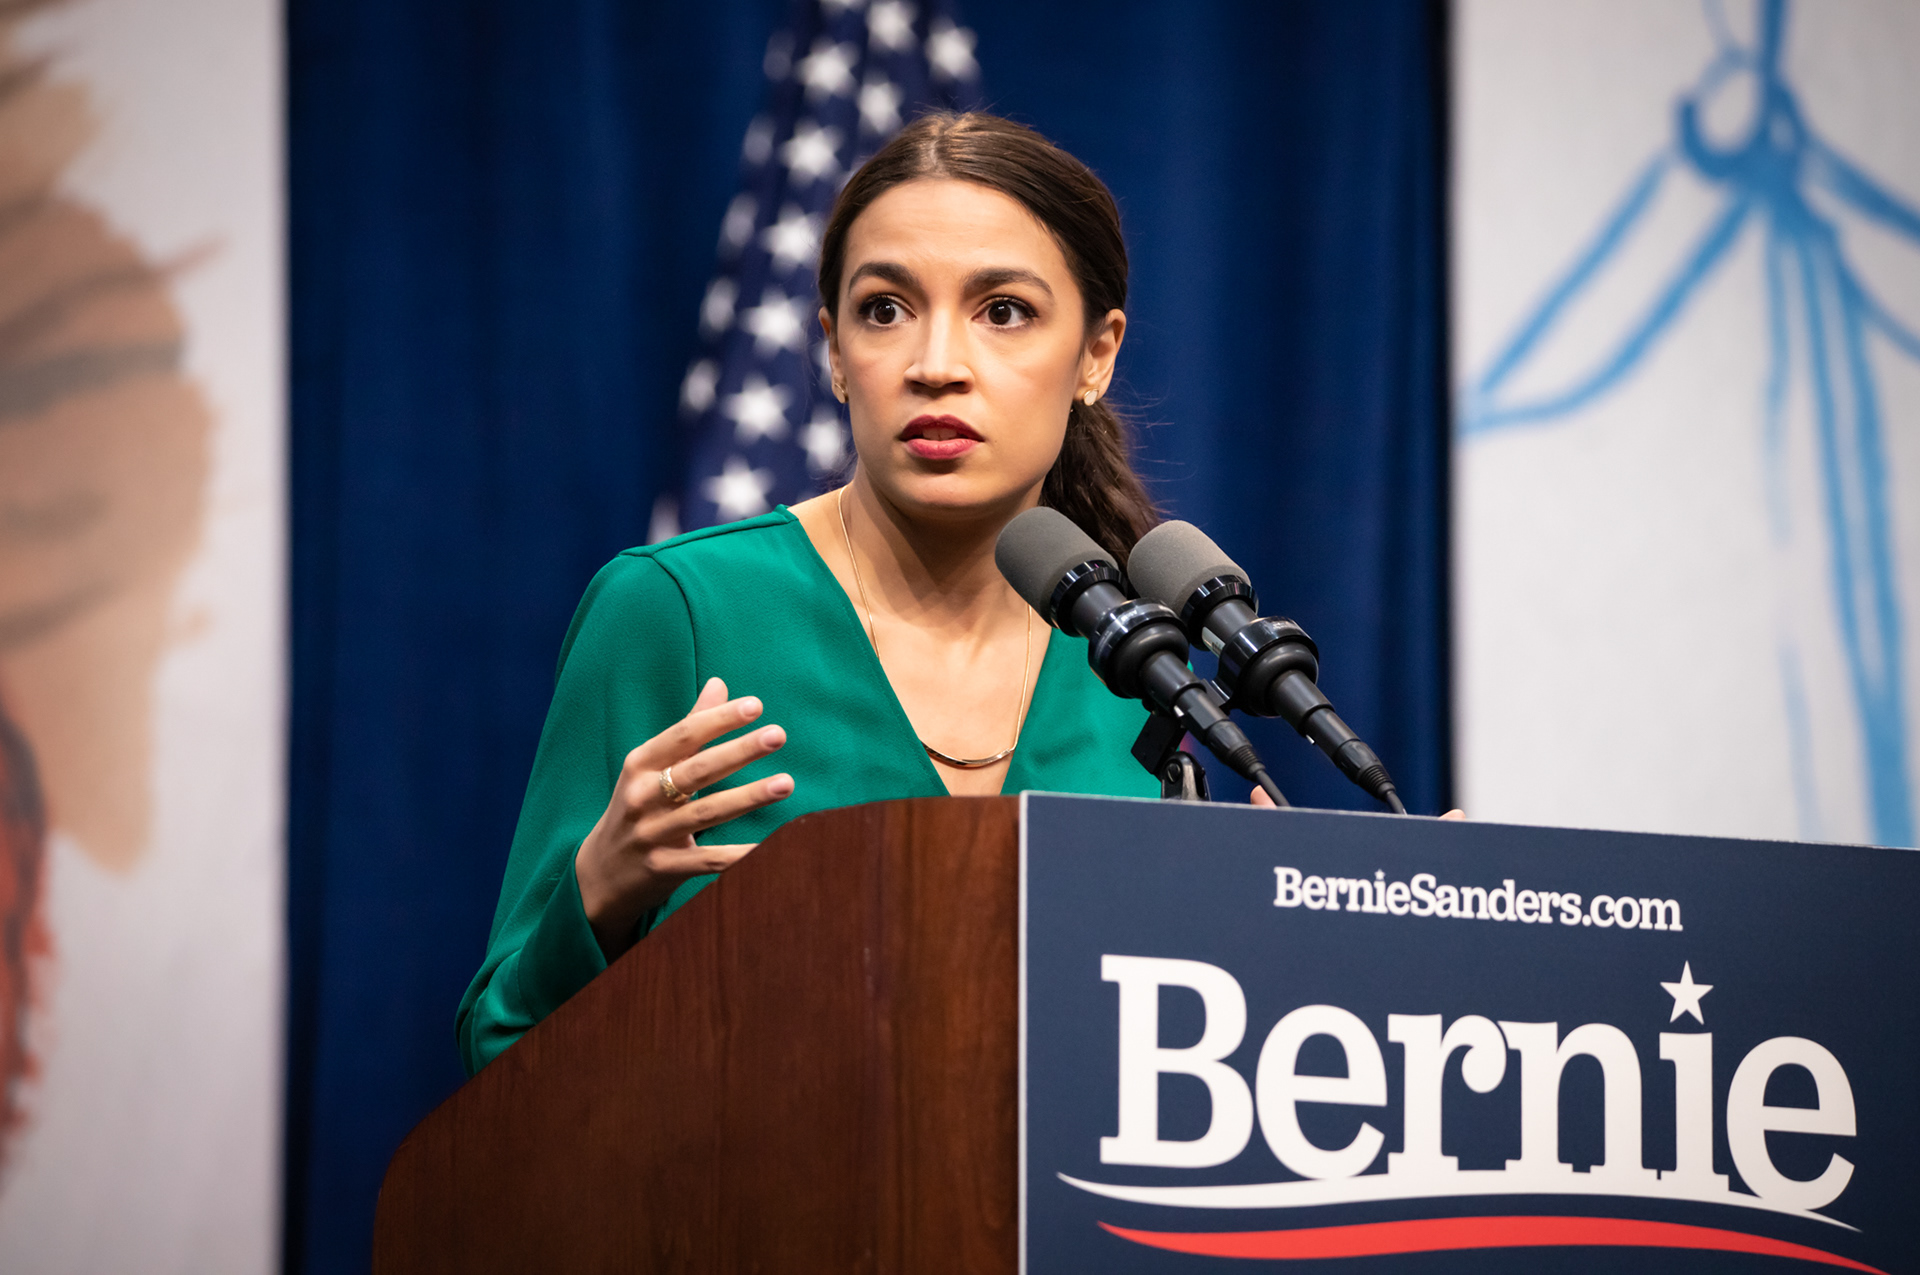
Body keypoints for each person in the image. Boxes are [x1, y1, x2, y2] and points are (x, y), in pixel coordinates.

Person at [458, 111, 1183, 1075]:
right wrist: (596, 894)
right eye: (885, 309)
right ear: (836, 352)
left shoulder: (1141, 661)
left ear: (1096, 354)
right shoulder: (675, 610)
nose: (936, 364)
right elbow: (498, 1051)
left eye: (1002, 310)